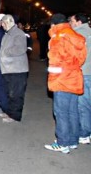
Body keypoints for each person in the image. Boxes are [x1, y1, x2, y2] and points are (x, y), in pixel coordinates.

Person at [44, 13, 86, 153]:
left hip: (61, 80)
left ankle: (63, 142)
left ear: (53, 24)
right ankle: (73, 140)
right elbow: (81, 59)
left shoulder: (58, 37)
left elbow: (54, 60)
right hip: (74, 78)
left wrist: (53, 78)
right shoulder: (75, 35)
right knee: (73, 111)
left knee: (61, 112)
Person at [0, 14, 30, 123]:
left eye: (3, 23)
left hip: (17, 70)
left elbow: (20, 49)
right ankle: (9, 112)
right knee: (10, 93)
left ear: (7, 22)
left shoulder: (18, 34)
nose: (2, 25)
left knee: (16, 94)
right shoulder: (8, 33)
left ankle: (15, 116)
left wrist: (5, 52)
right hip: (9, 69)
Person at [69, 13, 91, 145]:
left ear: (78, 22)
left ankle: (84, 133)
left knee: (82, 105)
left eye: (71, 21)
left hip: (83, 73)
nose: (70, 23)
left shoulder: (77, 35)